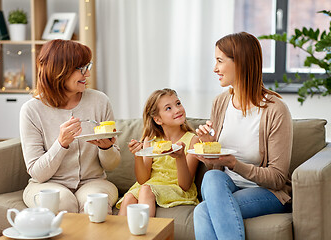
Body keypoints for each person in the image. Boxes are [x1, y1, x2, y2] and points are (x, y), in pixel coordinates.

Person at [193, 32, 293, 240]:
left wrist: (235, 164)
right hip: (227, 186)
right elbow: (215, 168)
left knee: (202, 211)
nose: (215, 69)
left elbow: (277, 178)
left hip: (267, 192)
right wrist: (211, 148)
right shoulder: (220, 103)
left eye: (220, 61)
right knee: (211, 176)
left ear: (241, 63)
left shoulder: (275, 110)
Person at [20, 39, 120, 214]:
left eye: (87, 66)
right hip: (47, 184)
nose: (87, 74)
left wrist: (107, 148)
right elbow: (37, 173)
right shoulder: (31, 110)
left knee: (95, 205)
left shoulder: (100, 101)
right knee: (62, 203)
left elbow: (112, 165)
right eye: (81, 69)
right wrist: (61, 144)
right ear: (59, 71)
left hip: (93, 182)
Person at [116, 88, 199, 216]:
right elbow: (143, 179)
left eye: (178, 103)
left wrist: (180, 156)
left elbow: (185, 185)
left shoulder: (193, 140)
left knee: (145, 190)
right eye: (168, 108)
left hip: (176, 188)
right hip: (150, 185)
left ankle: (146, 235)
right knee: (128, 197)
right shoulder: (150, 141)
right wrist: (138, 155)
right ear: (158, 119)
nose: (177, 110)